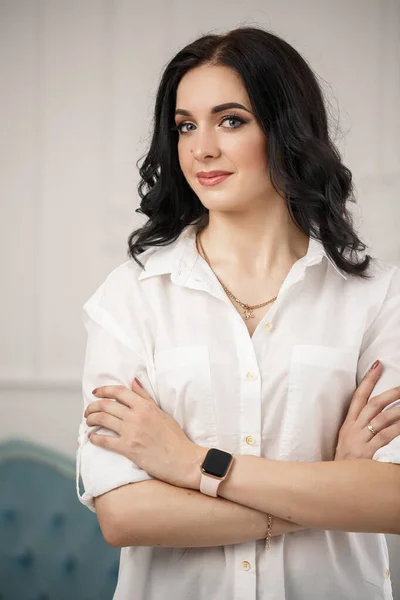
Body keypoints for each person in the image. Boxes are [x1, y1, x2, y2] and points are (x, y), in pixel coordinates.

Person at [76, 26, 400, 600]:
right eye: (184, 126)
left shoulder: (377, 297)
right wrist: (328, 488)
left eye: (231, 120)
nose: (201, 148)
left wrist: (189, 462)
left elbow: (392, 501)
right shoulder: (131, 297)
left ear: (287, 130)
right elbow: (124, 514)